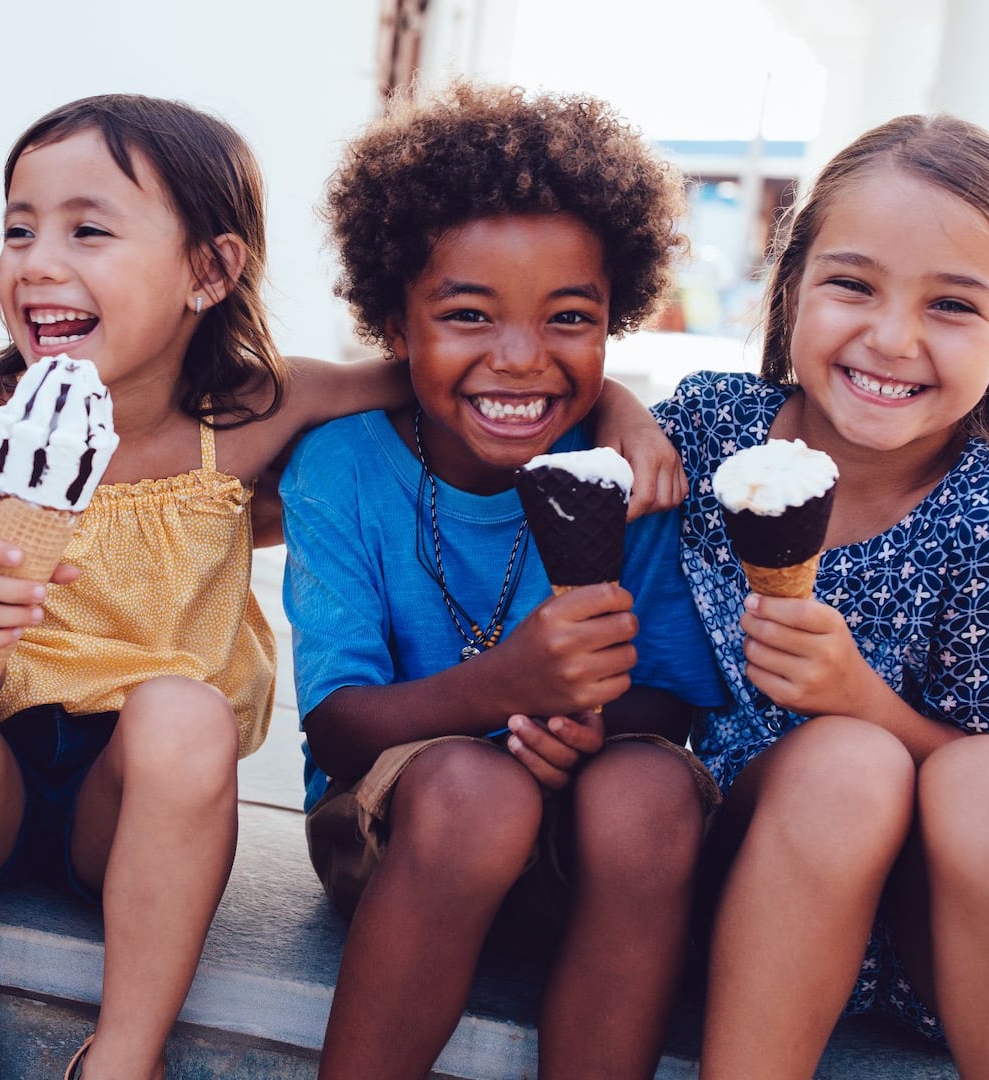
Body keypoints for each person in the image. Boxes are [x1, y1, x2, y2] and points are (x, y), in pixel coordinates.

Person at [0, 92, 679, 1080]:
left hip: (140, 804)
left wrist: (620, 404)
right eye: (19, 228)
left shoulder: (253, 414)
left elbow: (450, 367)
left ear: (210, 271)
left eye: (88, 230)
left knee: (186, 716)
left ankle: (123, 1058)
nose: (38, 259)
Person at [651, 114, 989, 1078]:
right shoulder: (710, 431)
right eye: (853, 284)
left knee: (978, 774)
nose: (891, 336)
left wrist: (860, 700)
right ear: (790, 291)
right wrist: (622, 412)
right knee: (843, 768)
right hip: (743, 874)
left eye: (952, 306)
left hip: (934, 929)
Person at [281, 82, 730, 1080]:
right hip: (403, 832)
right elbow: (338, 728)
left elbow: (666, 697)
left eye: (569, 317)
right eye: (470, 314)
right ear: (396, 322)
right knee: (475, 793)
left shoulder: (635, 478)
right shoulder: (343, 469)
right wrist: (506, 690)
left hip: (579, 845)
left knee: (656, 790)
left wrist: (586, 733)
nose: (521, 358)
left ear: (618, 320)